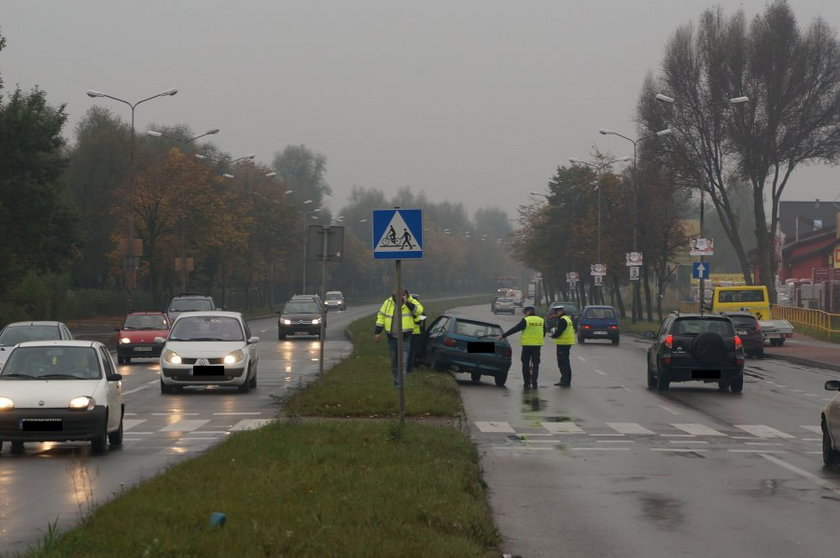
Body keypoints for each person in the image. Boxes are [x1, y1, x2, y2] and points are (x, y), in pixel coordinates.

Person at [374, 288, 424, 386]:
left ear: (406, 294)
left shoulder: (412, 302)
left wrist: (407, 303)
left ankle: (401, 385)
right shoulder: (388, 303)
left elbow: (419, 311)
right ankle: (397, 381)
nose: (399, 296)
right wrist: (377, 332)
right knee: (394, 363)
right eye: (397, 294)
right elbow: (381, 317)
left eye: (402, 294)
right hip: (392, 337)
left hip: (405, 337)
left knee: (403, 362)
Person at [499, 305, 545, 390]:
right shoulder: (541, 320)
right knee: (535, 364)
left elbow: (515, 329)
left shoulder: (526, 320)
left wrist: (503, 335)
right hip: (537, 346)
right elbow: (544, 332)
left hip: (527, 346)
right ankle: (534, 382)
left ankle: (526, 383)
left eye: (525, 313)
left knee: (525, 364)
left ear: (527, 312)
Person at [550, 305, 576, 386]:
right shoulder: (567, 319)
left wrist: (553, 335)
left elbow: (559, 332)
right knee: (565, 362)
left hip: (563, 344)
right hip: (567, 343)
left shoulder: (562, 320)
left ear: (561, 311)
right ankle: (565, 380)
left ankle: (565, 381)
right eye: (555, 312)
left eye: (557, 312)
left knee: (563, 363)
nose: (556, 313)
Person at [406, 294, 426, 373]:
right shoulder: (420, 310)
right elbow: (422, 322)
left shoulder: (407, 308)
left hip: (408, 332)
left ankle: (408, 367)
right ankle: (410, 368)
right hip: (415, 333)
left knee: (408, 351)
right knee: (411, 351)